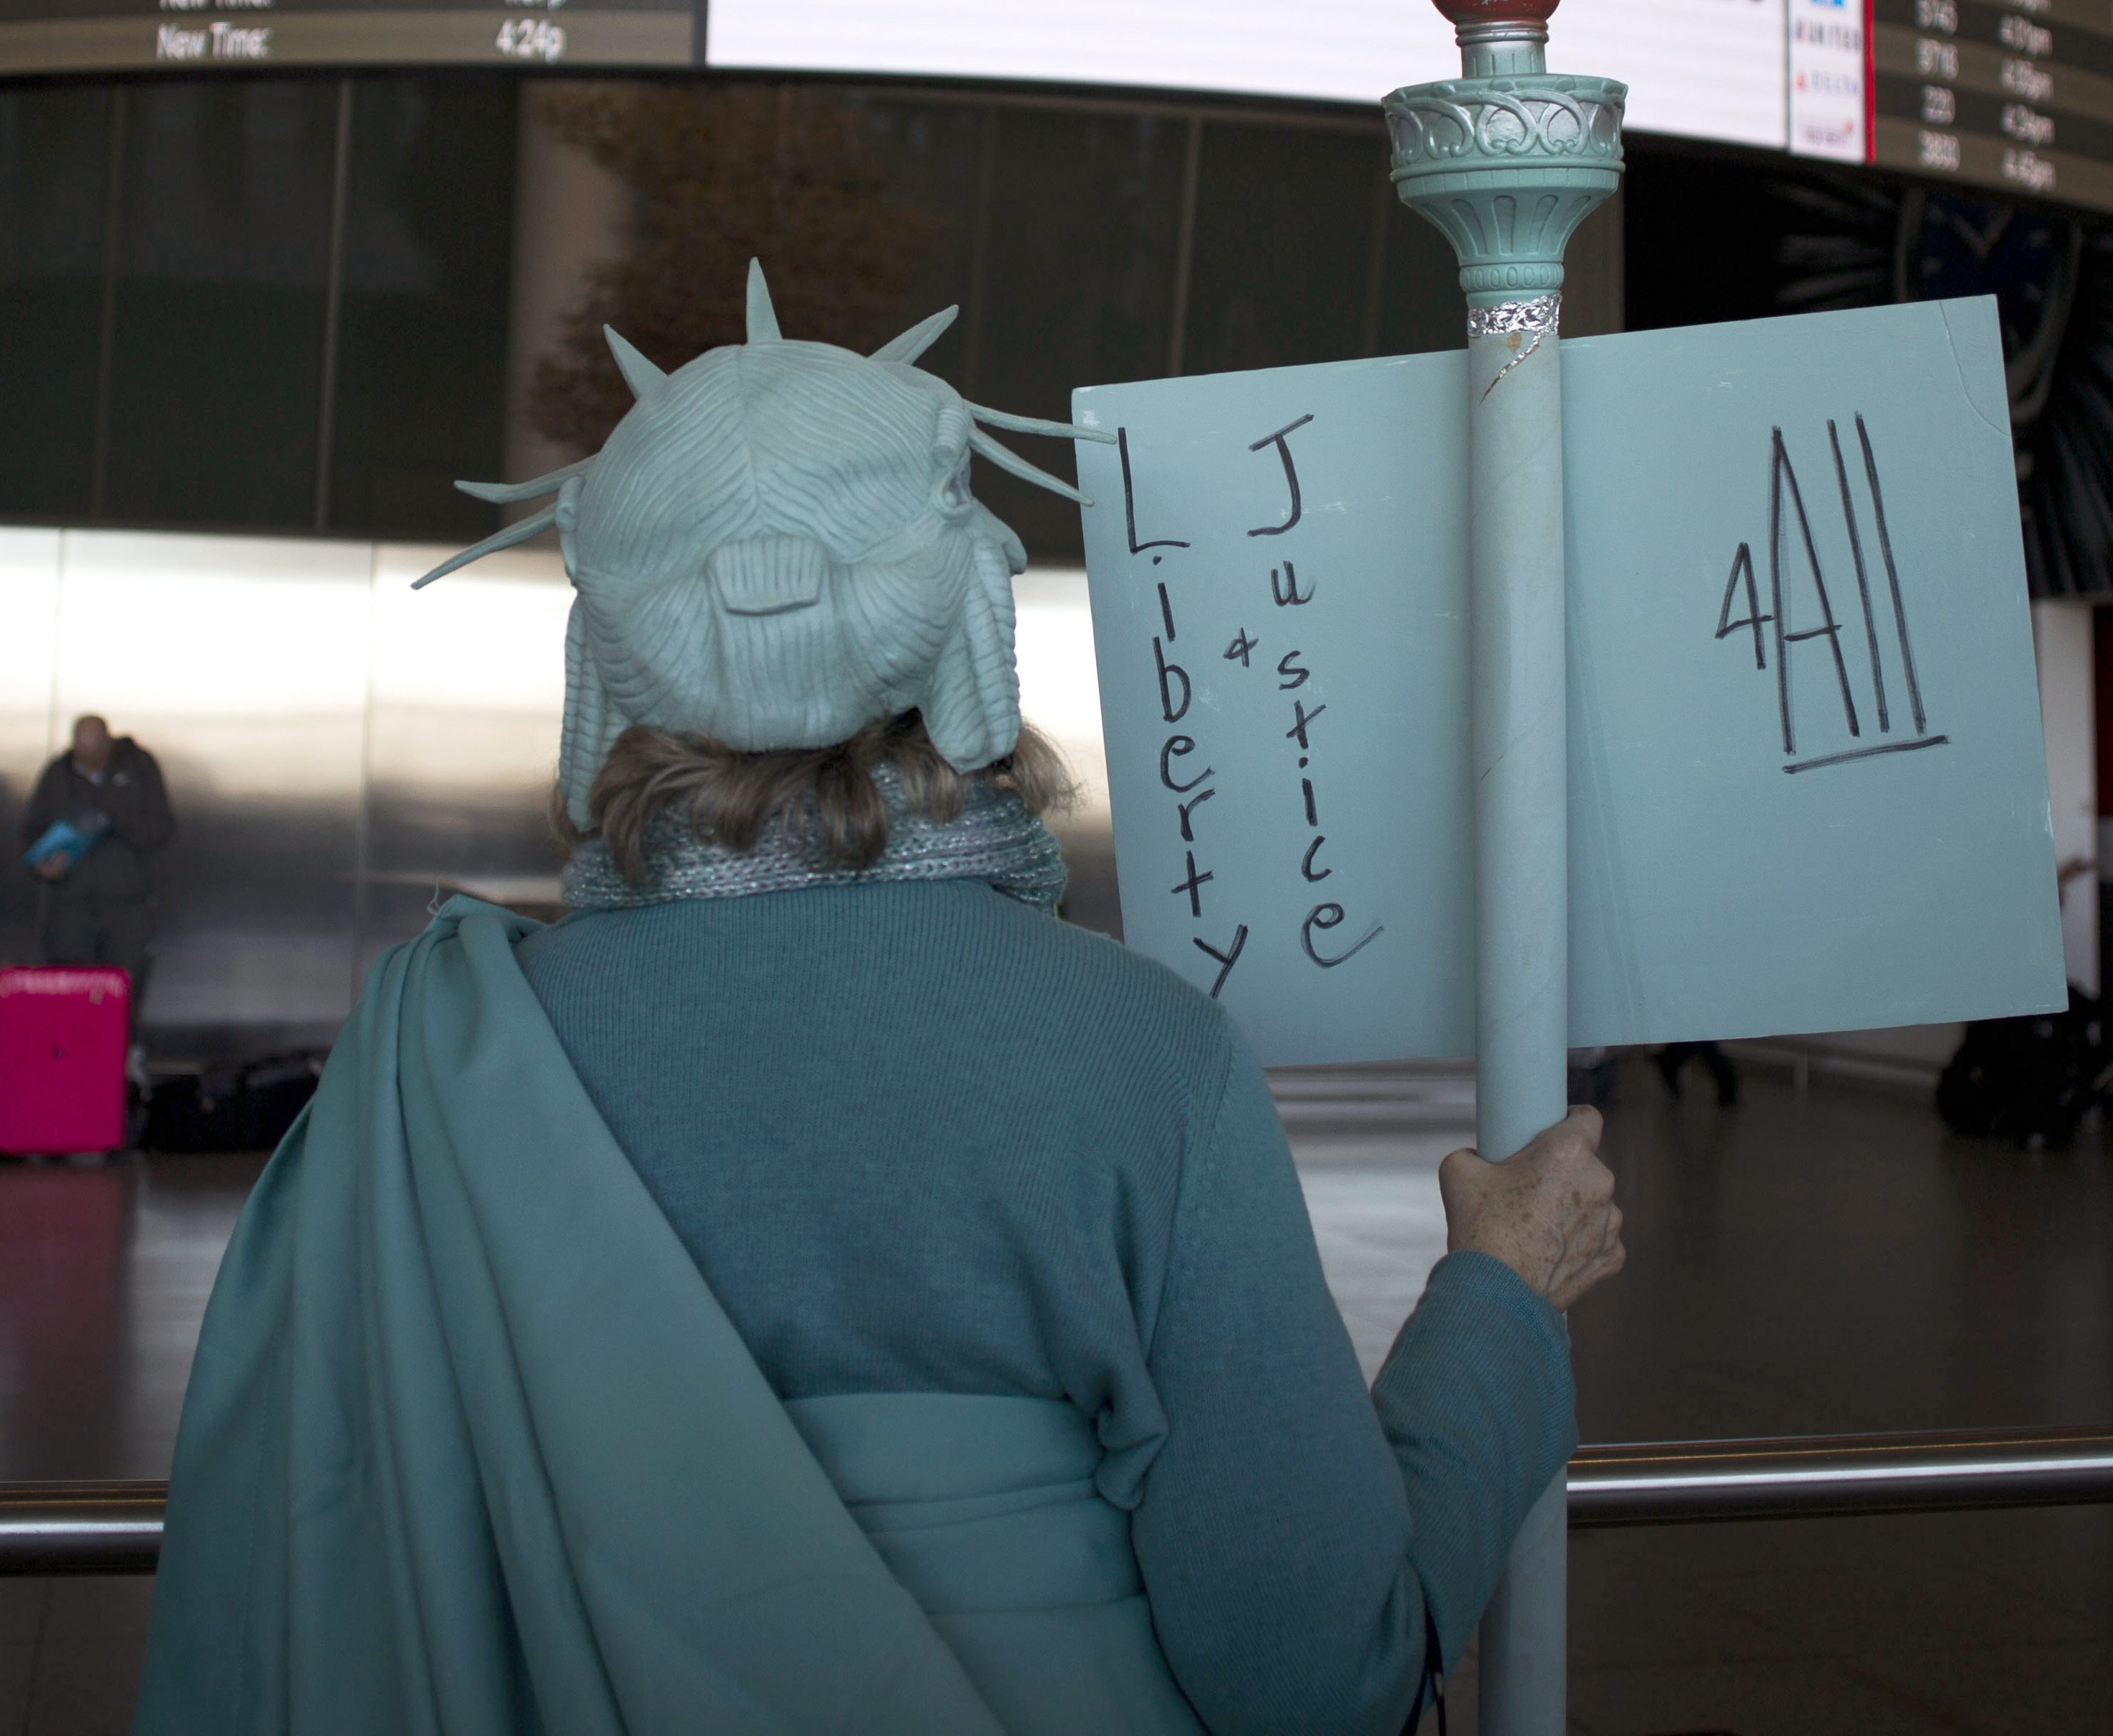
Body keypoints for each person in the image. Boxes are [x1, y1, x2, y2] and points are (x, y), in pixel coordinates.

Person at [136, 267, 1624, 1736]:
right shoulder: (1145, 1055)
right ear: (975, 630)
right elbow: (1318, 1669)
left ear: (601, 667)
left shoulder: (431, 1072)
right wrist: (1500, 1302)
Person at [21, 714, 174, 1022]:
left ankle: (128, 1054)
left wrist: (112, 815)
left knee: (126, 985)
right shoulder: (58, 774)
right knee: (71, 985)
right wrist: (43, 866)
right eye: (82, 752)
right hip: (70, 904)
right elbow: (31, 832)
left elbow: (162, 829)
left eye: (95, 751)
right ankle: (74, 1060)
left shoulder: (138, 768)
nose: (89, 760)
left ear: (109, 743)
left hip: (128, 902)